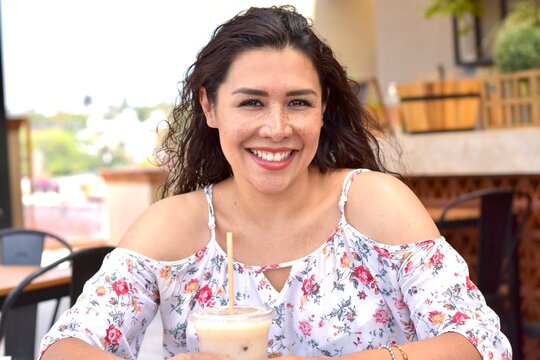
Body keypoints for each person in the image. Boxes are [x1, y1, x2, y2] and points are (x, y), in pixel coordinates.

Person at [40, 5, 511, 360]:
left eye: (299, 103)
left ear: (323, 107)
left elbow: (479, 339)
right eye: (251, 103)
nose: (277, 128)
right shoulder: (174, 227)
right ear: (209, 107)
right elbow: (63, 347)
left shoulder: (373, 203)